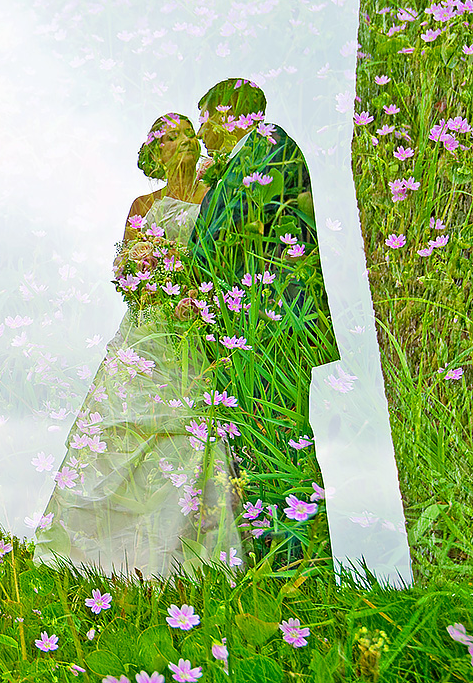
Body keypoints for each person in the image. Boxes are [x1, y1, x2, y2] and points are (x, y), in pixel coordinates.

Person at [31, 113, 243, 579]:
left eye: (189, 133)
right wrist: (150, 276)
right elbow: (127, 272)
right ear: (155, 152)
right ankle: (93, 564)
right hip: (147, 331)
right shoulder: (143, 204)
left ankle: (182, 567)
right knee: (118, 434)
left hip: (197, 329)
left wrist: (196, 287)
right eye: (171, 137)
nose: (184, 141)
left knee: (189, 436)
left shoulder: (218, 197)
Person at [186, 78, 339, 562]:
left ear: (231, 110)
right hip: (242, 333)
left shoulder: (269, 145)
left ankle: (300, 568)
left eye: (207, 113)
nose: (203, 126)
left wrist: (183, 266)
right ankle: (265, 563)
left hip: (274, 326)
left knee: (282, 446)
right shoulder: (230, 165)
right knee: (247, 449)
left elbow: (232, 227)